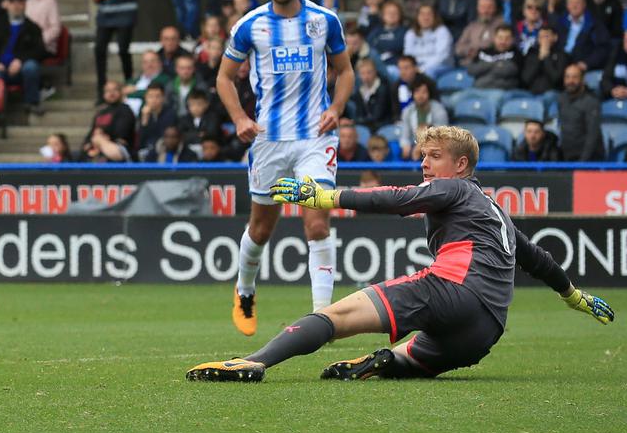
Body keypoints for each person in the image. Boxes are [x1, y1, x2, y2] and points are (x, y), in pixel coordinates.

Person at [188, 126, 615, 383]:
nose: (424, 164)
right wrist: (575, 297)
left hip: (452, 290)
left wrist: (325, 196)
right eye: (423, 156)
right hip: (484, 332)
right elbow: (538, 259)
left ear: (462, 165)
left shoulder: (455, 187)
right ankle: (387, 362)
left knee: (335, 318)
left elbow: (396, 198)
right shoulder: (496, 211)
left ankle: (252, 362)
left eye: (435, 156)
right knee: (412, 355)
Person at [218, 0, 354, 336]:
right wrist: (240, 117)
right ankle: (244, 291)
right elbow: (224, 78)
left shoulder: (325, 21)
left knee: (316, 225)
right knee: (261, 229)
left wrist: (337, 108)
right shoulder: (250, 25)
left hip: (315, 137)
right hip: (269, 141)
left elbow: (344, 71)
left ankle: (322, 317)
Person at [0, 0, 47, 114]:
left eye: (19, 2)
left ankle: (32, 103)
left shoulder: (33, 27)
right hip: (1, 68)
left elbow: (40, 50)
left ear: (24, 5)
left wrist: (20, 60)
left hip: (22, 70)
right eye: (12, 2)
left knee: (31, 67)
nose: (16, 6)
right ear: (7, 5)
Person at [557, 63, 605, 161]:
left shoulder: (591, 101)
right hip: (568, 157)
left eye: (575, 77)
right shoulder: (561, 98)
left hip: (590, 160)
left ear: (583, 79)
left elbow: (592, 135)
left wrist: (582, 163)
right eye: (567, 77)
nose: (570, 81)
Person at [84, 80, 136, 163]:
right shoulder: (100, 113)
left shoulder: (125, 110)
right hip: (97, 148)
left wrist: (102, 136)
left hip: (119, 150)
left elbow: (122, 133)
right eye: (108, 91)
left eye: (114, 90)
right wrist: (89, 143)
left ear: (120, 92)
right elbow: (91, 134)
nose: (111, 93)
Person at [399, 79, 449, 160]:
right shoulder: (407, 111)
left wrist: (420, 146)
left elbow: (442, 134)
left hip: (435, 146)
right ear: (413, 93)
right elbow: (405, 135)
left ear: (429, 93)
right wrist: (405, 146)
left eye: (424, 92)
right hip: (413, 145)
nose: (420, 95)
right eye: (417, 92)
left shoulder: (439, 110)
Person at [520, 23, 570, 94]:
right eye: (540, 37)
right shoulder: (531, 54)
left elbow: (556, 79)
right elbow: (526, 79)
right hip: (530, 93)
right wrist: (539, 59)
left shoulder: (562, 55)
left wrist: (546, 57)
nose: (543, 40)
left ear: (555, 37)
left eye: (546, 36)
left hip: (552, 93)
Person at [467, 25, 521, 90]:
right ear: (494, 38)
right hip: (477, 89)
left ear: (512, 40)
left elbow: (508, 71)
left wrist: (485, 64)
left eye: (507, 38)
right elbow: (471, 70)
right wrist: (496, 64)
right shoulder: (484, 51)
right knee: (455, 98)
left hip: (501, 91)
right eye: (500, 38)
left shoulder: (516, 54)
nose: (503, 42)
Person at [351, 57, 396, 130]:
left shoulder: (383, 88)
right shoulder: (360, 90)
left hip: (383, 125)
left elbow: (377, 116)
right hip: (368, 125)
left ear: (375, 72)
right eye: (362, 73)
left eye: (369, 72)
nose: (366, 76)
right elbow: (359, 113)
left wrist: (355, 122)